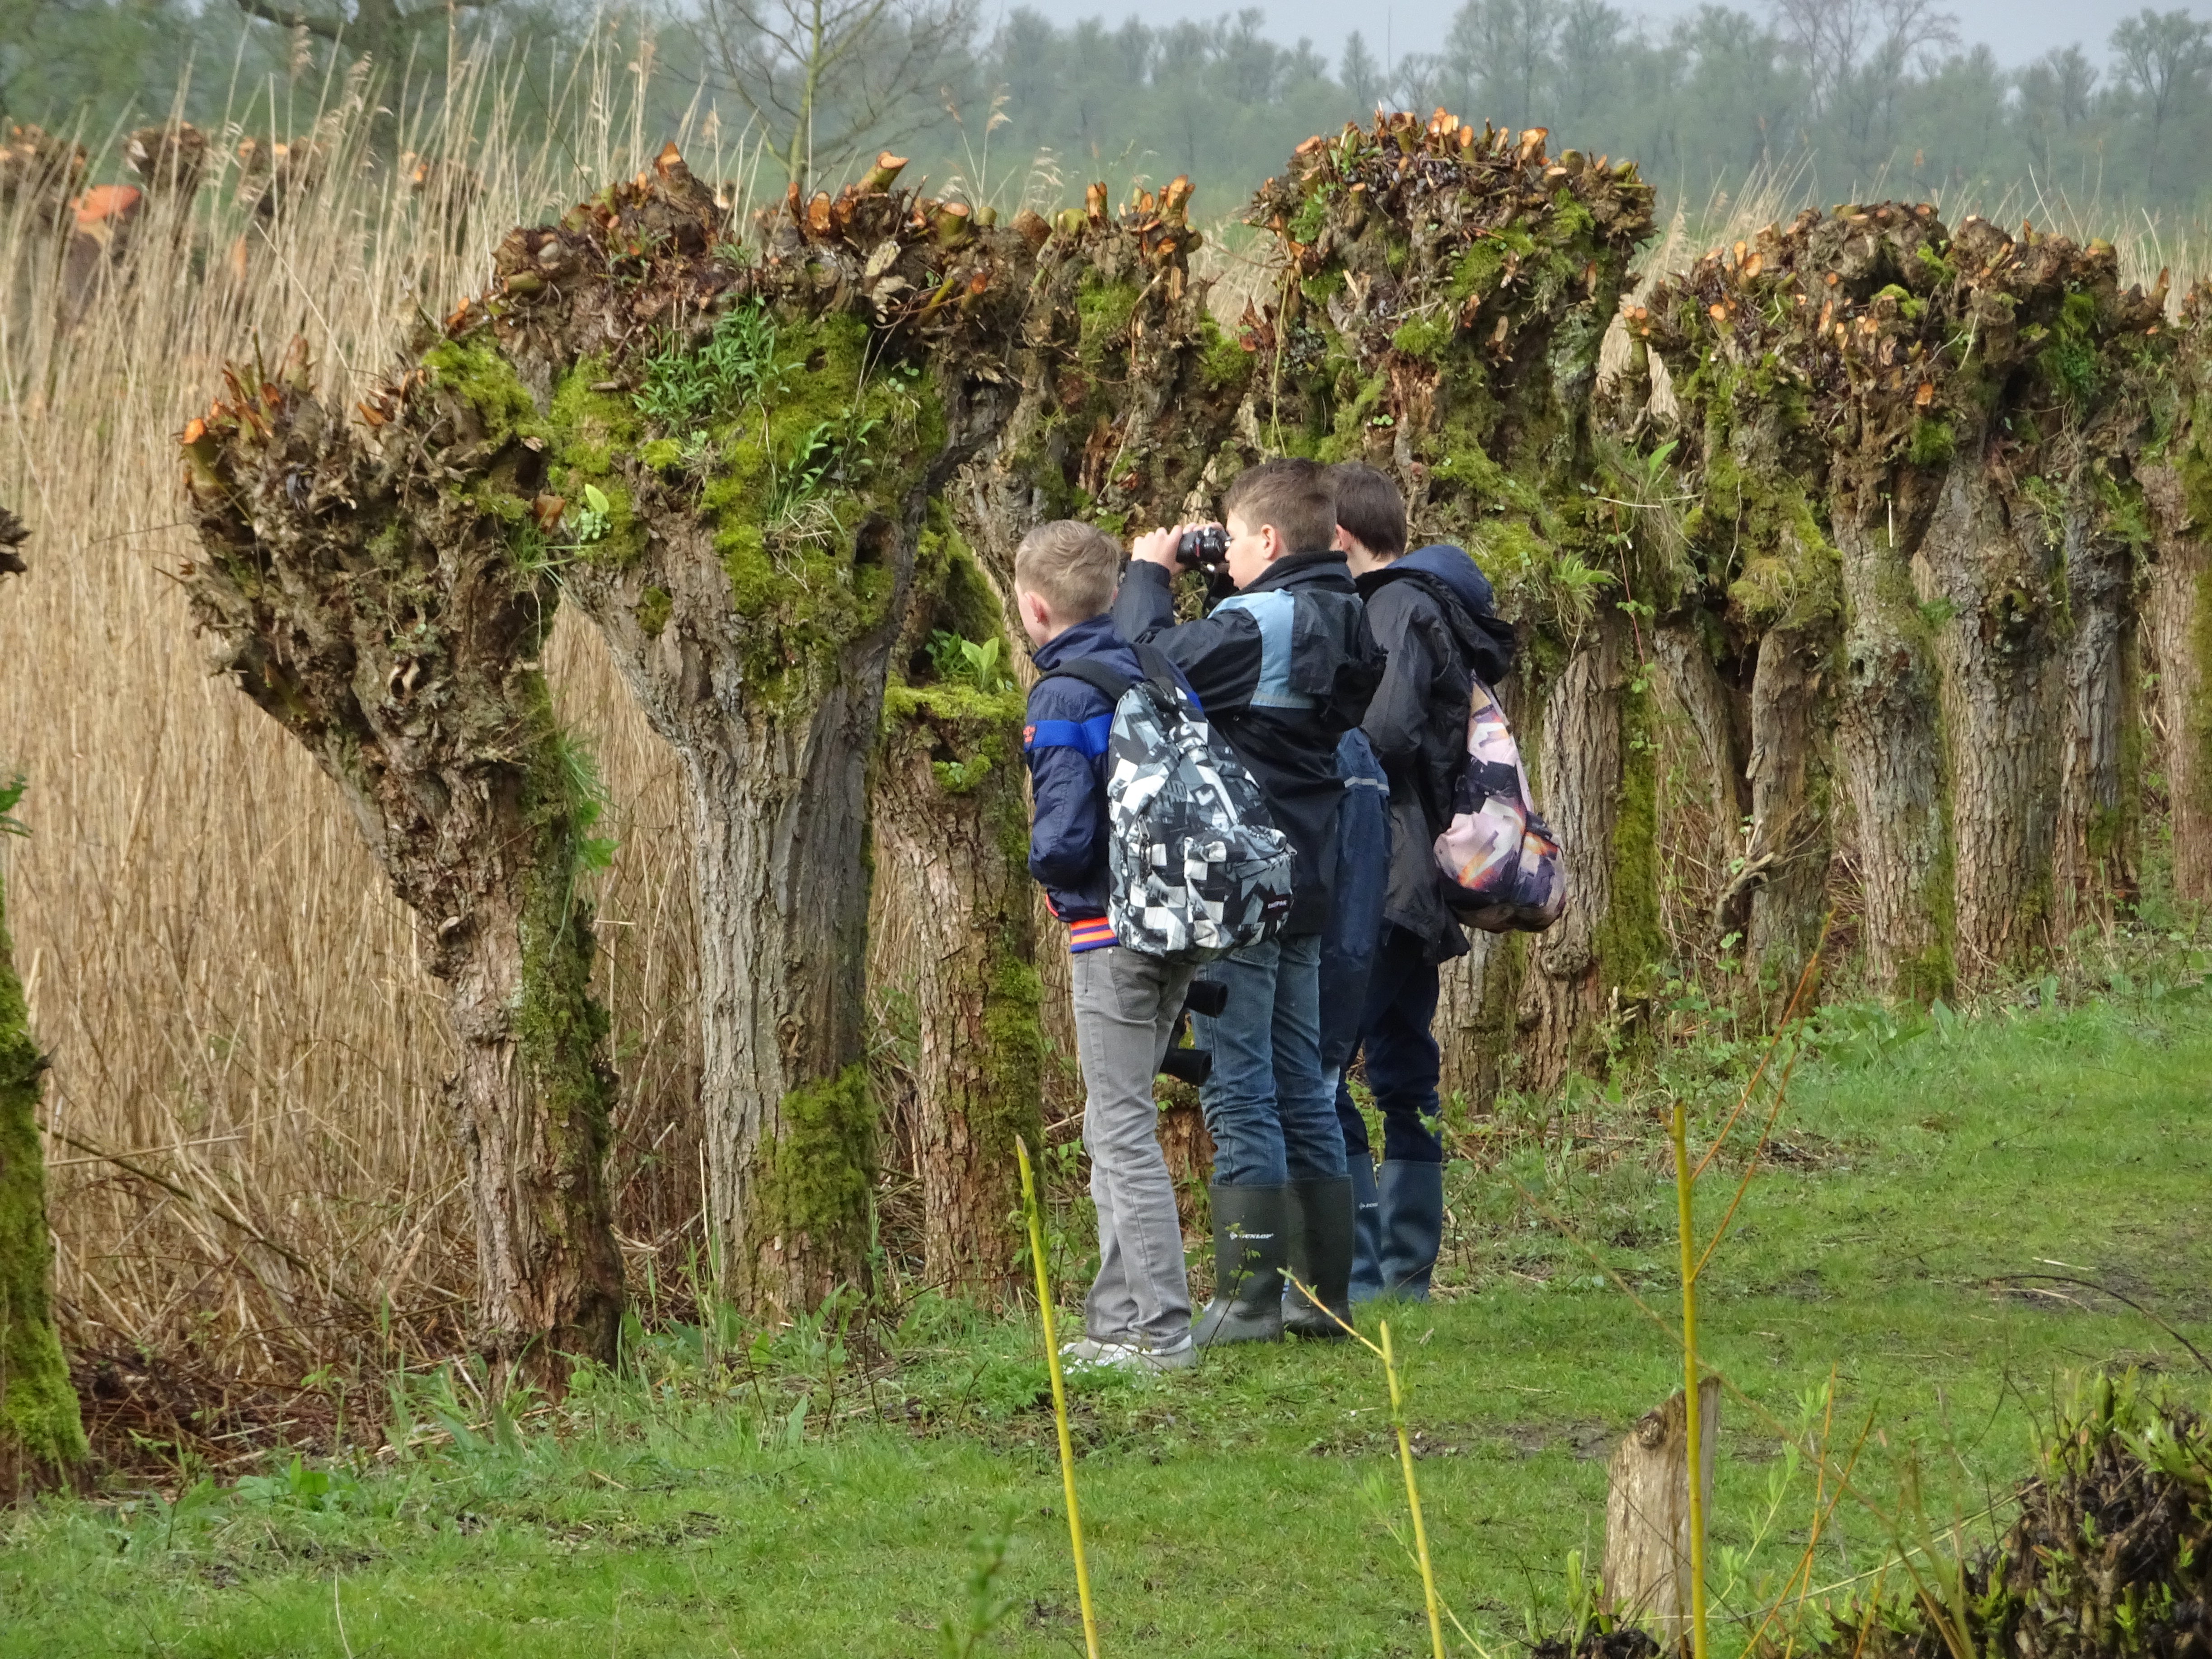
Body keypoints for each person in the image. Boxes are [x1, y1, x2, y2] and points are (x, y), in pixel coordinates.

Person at [1115, 459, 1383, 1345]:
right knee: (1304, 1084)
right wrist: (1211, 582)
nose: (1221, 554)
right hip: (1309, 878)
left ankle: (1246, 1299)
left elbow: (1152, 666)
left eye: (1231, 540)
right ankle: (1322, 1298)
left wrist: (1151, 576)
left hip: (1240, 888)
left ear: (1269, 541)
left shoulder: (1261, 618)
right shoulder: (1345, 612)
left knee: (1239, 1087)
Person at [1325, 461, 1516, 1301]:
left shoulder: (1394, 606)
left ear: (1339, 539)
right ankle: (1402, 1269)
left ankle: (1368, 1272)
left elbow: (1388, 732)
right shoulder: (1433, 605)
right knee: (1405, 1066)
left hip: (1387, 873)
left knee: (1328, 1062)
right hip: (1415, 873)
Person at [1017, 519, 1202, 1373]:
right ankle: (1115, 1322)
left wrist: (1049, 884)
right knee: (1112, 1117)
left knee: (1121, 1128)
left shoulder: (1061, 695)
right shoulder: (1154, 668)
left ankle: (1162, 1335)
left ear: (1035, 608)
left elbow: (1061, 835)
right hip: (1179, 926)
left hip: (1109, 933)